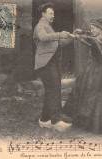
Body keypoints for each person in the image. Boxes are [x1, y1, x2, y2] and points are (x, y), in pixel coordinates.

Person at [62, 18, 102, 135]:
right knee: (82, 88)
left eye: (93, 28)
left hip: (100, 71)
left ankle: (99, 125)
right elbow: (90, 37)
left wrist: (76, 37)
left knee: (97, 94)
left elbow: (91, 41)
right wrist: (81, 32)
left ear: (100, 29)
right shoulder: (97, 36)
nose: (92, 30)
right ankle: (84, 121)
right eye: (91, 28)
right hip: (93, 67)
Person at [33, 3, 74, 132]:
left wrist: (73, 37)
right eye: (50, 13)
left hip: (53, 63)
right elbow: (43, 38)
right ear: (43, 14)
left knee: (52, 89)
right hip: (45, 63)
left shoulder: (49, 27)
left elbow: (59, 43)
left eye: (53, 14)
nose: (53, 16)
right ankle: (56, 121)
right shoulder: (40, 26)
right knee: (53, 89)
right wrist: (59, 34)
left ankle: (45, 119)